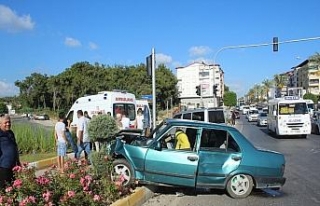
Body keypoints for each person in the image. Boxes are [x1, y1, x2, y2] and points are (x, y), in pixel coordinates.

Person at [0, 114, 20, 189]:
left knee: (14, 188)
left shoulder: (11, 133)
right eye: (6, 122)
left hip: (13, 167)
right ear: (0, 124)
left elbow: (15, 147)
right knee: (4, 190)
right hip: (3, 168)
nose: (8, 124)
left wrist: (18, 162)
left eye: (9, 122)